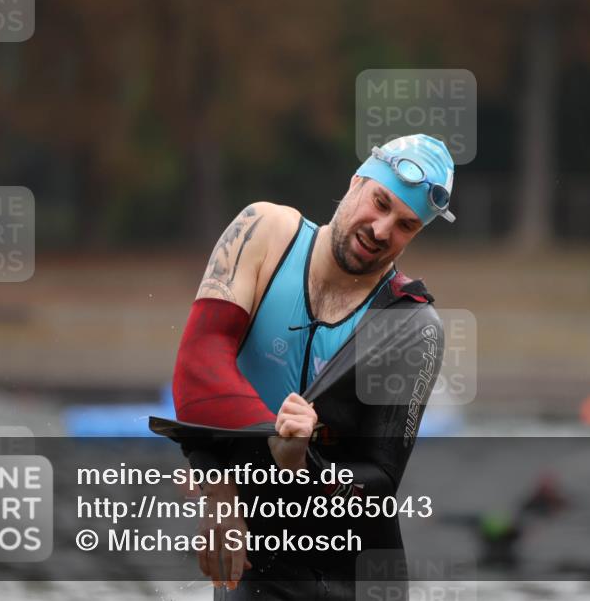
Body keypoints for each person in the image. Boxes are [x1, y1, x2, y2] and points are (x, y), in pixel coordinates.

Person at [169, 135, 456, 599]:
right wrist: (217, 484)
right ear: (356, 182)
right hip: (256, 554)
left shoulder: (411, 325)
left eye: (405, 225)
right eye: (380, 202)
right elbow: (200, 365)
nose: (382, 229)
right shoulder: (264, 232)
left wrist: (301, 463)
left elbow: (380, 480)